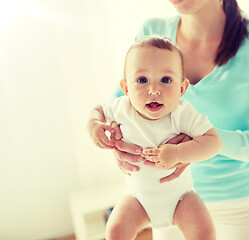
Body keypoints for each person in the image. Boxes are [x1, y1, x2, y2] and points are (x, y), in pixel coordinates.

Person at [88, 0, 249, 239]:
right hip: (163, 198)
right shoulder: (151, 35)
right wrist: (115, 145)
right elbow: (116, 111)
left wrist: (197, 144)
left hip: (236, 205)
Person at [90, 35, 222, 240]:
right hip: (138, 200)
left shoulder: (182, 113)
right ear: (126, 89)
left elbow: (214, 142)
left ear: (181, 88)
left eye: (166, 80)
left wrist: (179, 152)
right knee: (115, 230)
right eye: (142, 80)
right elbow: (97, 110)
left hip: (180, 199)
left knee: (204, 232)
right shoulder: (122, 108)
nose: (154, 90)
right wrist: (94, 126)